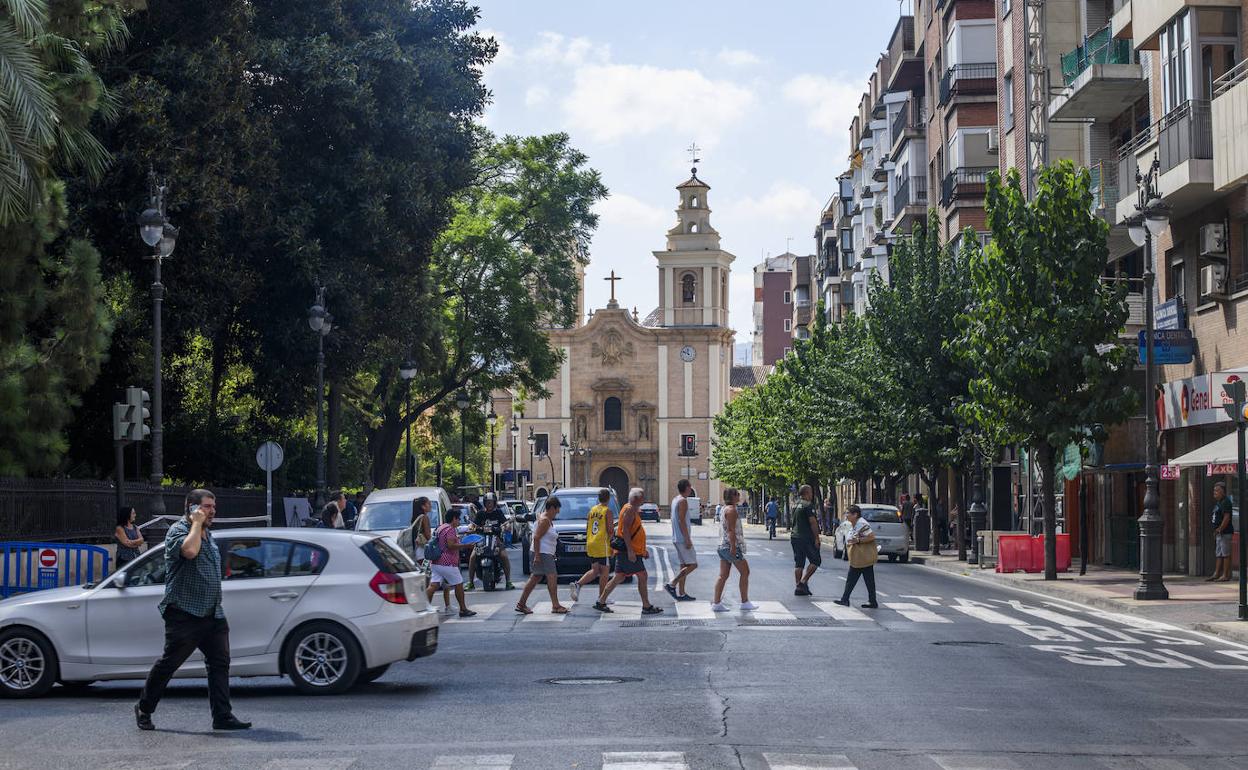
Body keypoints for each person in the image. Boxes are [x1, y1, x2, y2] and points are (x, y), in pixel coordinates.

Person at [135, 489, 250, 732]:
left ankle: (222, 716)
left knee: (220, 663)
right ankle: (144, 707)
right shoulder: (178, 531)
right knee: (170, 664)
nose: (212, 511)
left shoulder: (208, 534)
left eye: (213, 507)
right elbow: (189, 552)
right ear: (192, 508)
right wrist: (196, 524)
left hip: (212, 613)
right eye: (207, 507)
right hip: (184, 614)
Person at [596, 489, 663, 615]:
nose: (644, 500)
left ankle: (601, 601)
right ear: (638, 498)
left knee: (619, 577)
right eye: (643, 497)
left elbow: (633, 530)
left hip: (629, 550)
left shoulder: (628, 507)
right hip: (628, 551)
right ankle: (646, 606)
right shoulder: (631, 509)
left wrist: (643, 551)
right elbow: (626, 531)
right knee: (642, 575)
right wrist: (631, 551)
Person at [516, 497, 568, 615]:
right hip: (543, 553)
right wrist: (538, 556)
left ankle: (521, 603)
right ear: (551, 508)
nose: (558, 512)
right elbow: (536, 537)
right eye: (557, 509)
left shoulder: (544, 518)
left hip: (543, 552)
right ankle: (555, 605)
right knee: (552, 577)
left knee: (535, 578)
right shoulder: (545, 520)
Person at [426, 507, 476, 617]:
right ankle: (463, 609)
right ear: (454, 519)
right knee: (458, 584)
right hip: (447, 563)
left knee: (433, 585)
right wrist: (466, 545)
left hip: (435, 562)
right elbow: (450, 545)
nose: (459, 521)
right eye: (458, 519)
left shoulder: (441, 527)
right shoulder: (450, 529)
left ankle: (424, 608)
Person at [712, 488, 755, 612]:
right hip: (729, 546)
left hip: (722, 546)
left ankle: (716, 603)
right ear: (732, 497)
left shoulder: (724, 509)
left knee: (723, 575)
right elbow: (731, 530)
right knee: (745, 572)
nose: (739, 496)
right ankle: (744, 601)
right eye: (737, 494)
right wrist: (733, 546)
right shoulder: (732, 510)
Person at [571, 489, 615, 603]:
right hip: (602, 544)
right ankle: (602, 597)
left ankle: (578, 584)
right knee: (605, 571)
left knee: (595, 570)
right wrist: (612, 543)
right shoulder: (607, 511)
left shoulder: (592, 510)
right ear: (608, 498)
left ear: (598, 498)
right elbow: (610, 530)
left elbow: (587, 527)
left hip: (591, 542)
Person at [834, 504, 879, 609]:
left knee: (853, 579)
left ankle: (845, 599)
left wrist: (858, 540)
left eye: (848, 513)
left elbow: (871, 537)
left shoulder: (862, 524)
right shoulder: (854, 524)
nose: (846, 515)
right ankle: (871, 601)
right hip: (859, 557)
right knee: (865, 580)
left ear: (855, 514)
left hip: (862, 557)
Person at [466, 494, 514, 590]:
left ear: (494, 502)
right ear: (484, 503)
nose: (489, 504)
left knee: (504, 556)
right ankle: (470, 582)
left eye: (491, 502)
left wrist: (507, 527)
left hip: (496, 539)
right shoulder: (480, 513)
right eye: (487, 502)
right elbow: (473, 525)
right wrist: (471, 528)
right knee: (473, 557)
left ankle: (508, 581)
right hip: (481, 540)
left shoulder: (498, 512)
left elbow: (505, 523)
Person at [663, 479, 699, 601]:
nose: (691, 489)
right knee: (693, 565)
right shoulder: (683, 501)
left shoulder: (675, 499)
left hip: (676, 537)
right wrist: (687, 539)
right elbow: (681, 520)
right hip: (682, 538)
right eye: (690, 487)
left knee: (684, 565)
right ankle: (672, 584)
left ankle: (682, 593)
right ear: (687, 488)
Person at [791, 485, 821, 596]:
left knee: (799, 563)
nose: (812, 495)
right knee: (816, 560)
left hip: (795, 536)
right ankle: (803, 582)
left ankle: (798, 587)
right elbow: (813, 522)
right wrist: (817, 538)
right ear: (807, 493)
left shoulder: (795, 505)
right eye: (811, 492)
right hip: (806, 537)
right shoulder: (808, 505)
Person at [1209, 481, 1235, 582]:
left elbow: (1226, 517)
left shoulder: (1226, 502)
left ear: (1223, 492)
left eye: (1217, 491)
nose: (1215, 493)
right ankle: (1216, 573)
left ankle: (1225, 575)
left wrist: (1220, 529)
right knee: (1219, 553)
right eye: (1214, 490)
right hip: (1219, 533)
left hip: (1225, 532)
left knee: (1225, 553)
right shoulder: (1219, 502)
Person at [397, 497, 433, 566]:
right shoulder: (424, 517)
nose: (430, 505)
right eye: (428, 503)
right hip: (422, 551)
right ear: (423, 506)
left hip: (416, 550)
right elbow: (428, 536)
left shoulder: (415, 517)